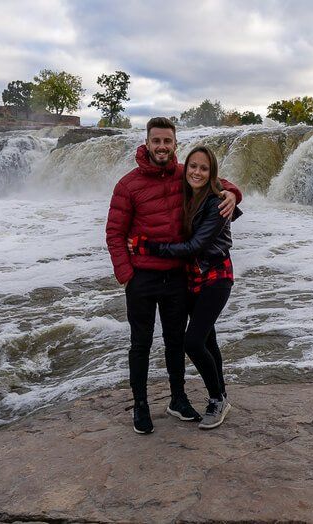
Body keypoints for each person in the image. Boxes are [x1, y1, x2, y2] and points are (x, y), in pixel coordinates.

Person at [105, 117, 241, 434]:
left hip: (178, 276)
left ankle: (178, 399)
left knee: (175, 342)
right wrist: (126, 274)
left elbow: (217, 183)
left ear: (174, 144)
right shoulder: (128, 185)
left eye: (168, 141)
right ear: (147, 143)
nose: (162, 147)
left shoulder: (184, 174)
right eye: (157, 141)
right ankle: (140, 406)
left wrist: (235, 193)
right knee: (140, 344)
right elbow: (114, 234)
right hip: (142, 278)